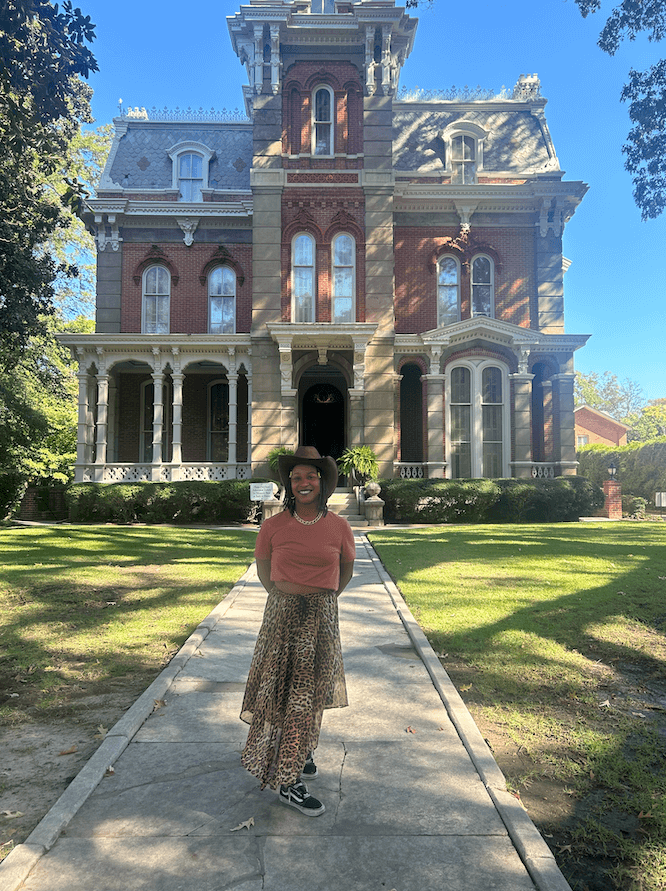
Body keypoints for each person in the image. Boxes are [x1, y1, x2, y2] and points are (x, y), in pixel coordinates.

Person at [240, 446, 355, 816]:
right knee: (283, 691)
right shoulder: (273, 526)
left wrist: (321, 597)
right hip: (282, 616)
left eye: (310, 476)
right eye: (296, 478)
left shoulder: (339, 526)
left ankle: (297, 753)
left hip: (321, 617)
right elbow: (264, 569)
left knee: (310, 692)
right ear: (289, 485)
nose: (303, 483)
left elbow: (346, 569)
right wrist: (287, 596)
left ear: (322, 482)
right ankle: (288, 782)